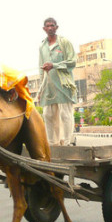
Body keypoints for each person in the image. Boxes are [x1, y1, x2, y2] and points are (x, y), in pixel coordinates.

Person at [38, 17, 77, 146]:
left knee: (65, 115)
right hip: (48, 85)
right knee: (48, 115)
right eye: (47, 26)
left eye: (52, 25)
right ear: (44, 29)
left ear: (56, 27)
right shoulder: (42, 46)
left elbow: (72, 61)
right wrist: (40, 89)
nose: (50, 28)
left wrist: (54, 65)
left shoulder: (64, 42)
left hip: (63, 84)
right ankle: (52, 144)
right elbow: (41, 69)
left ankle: (67, 143)